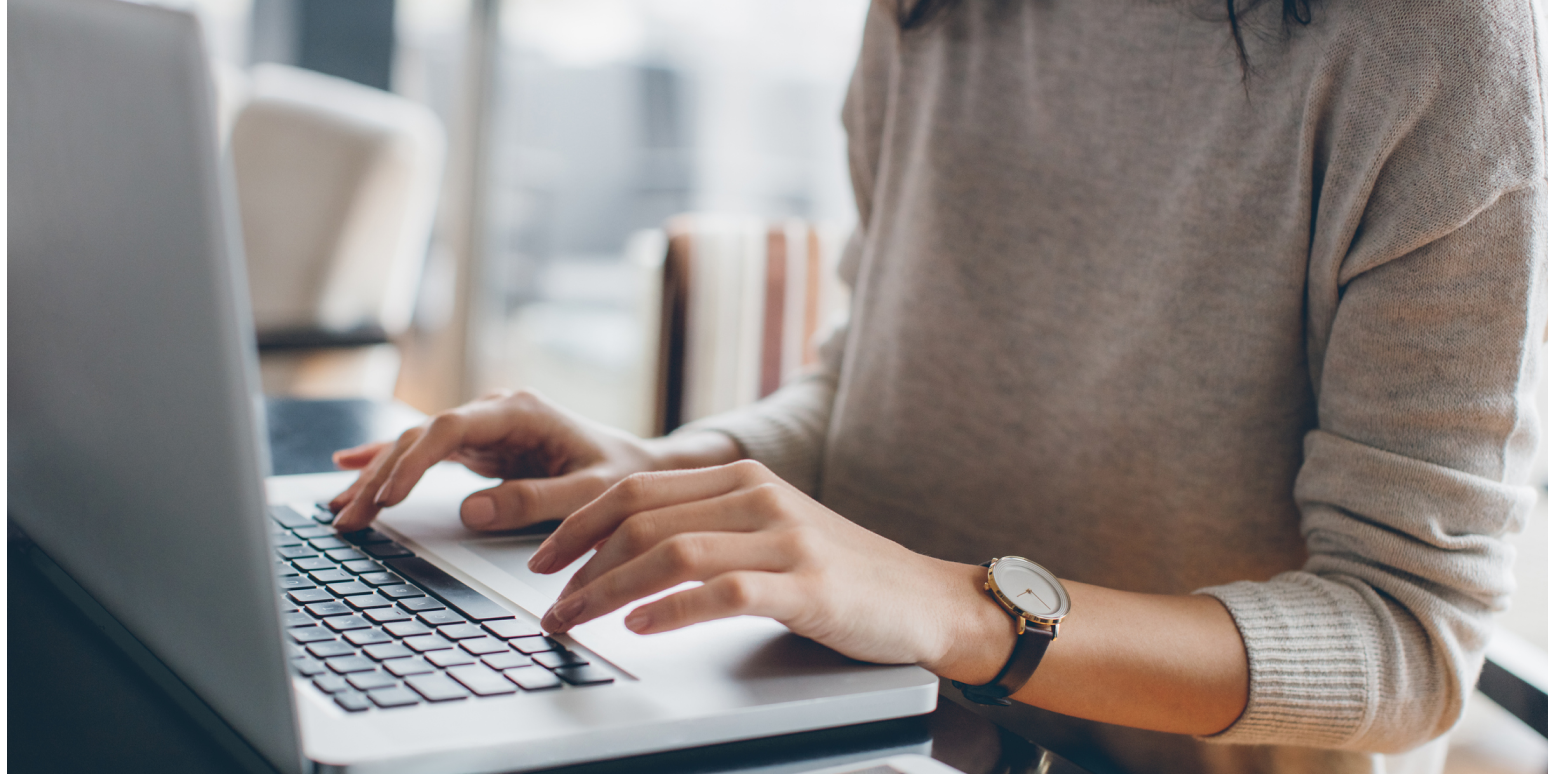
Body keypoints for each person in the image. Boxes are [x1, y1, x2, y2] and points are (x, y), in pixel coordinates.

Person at [328, 0, 1547, 771]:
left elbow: (1410, 638)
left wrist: (962, 612)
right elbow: (873, 383)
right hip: (874, 731)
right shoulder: (927, 12)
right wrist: (665, 473)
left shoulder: (1438, 42)